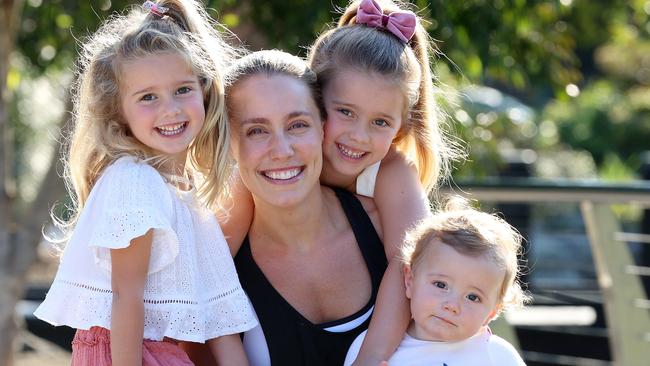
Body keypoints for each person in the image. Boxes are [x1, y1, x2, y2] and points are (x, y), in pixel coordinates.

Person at [217, 0, 460, 363]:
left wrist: (371, 356)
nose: (358, 137)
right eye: (345, 112)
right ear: (315, 101)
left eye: (379, 122)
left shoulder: (390, 172)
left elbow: (408, 265)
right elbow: (210, 270)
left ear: (400, 128)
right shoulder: (255, 178)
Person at [33, 1, 257, 365]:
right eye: (148, 97)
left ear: (204, 89)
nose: (170, 109)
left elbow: (222, 321)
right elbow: (125, 296)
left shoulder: (188, 195)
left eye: (182, 89)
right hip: (124, 352)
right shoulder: (134, 181)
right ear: (119, 108)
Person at [182, 49, 388, 366]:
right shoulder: (218, 270)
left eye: (297, 125)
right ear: (229, 143)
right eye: (257, 131)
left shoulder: (387, 229)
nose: (281, 150)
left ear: (323, 127)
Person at [345, 199, 529, 365]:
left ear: (492, 312)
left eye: (473, 297)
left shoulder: (498, 357)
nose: (452, 305)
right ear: (410, 281)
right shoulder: (366, 349)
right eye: (441, 285)